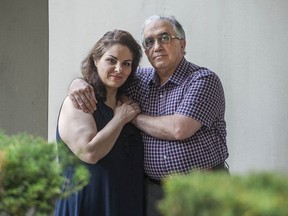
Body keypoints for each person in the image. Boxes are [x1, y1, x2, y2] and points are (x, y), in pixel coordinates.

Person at [69, 15, 229, 216]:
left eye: (164, 38)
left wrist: (132, 116)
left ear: (182, 43)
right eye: (149, 42)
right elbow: (107, 77)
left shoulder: (203, 80)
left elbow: (179, 129)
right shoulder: (138, 81)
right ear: (145, 50)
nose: (157, 46)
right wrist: (79, 83)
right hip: (153, 193)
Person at [54, 29, 145, 216]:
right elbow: (89, 152)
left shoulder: (127, 102)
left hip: (126, 203)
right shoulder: (79, 102)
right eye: (111, 60)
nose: (119, 69)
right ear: (96, 60)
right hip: (88, 203)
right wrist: (119, 119)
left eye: (126, 64)